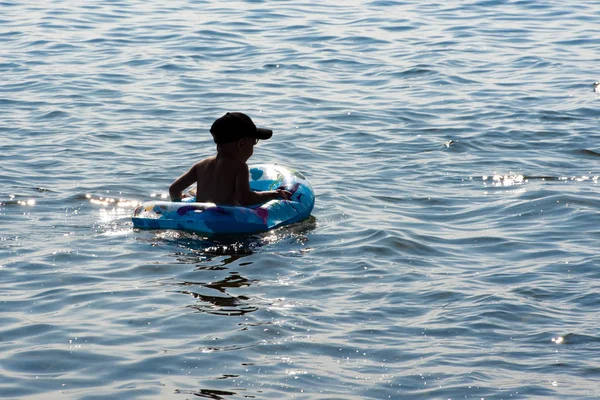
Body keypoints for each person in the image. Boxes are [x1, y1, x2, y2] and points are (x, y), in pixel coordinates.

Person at [169, 112, 291, 206]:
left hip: (199, 219)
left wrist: (179, 204)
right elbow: (245, 199)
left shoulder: (200, 165)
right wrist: (273, 194)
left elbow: (174, 189)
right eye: (254, 142)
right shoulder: (239, 167)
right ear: (241, 144)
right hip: (226, 227)